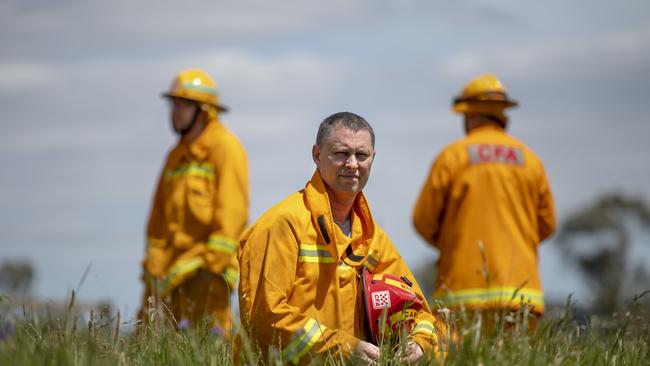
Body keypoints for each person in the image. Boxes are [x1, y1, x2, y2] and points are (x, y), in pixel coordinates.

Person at [237, 112, 447, 365]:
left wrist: (417, 343)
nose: (352, 164)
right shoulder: (282, 225)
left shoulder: (371, 238)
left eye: (361, 155)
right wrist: (342, 348)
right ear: (316, 155)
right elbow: (264, 317)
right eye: (341, 153)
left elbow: (417, 311)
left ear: (373, 158)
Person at [412, 74, 556, 330]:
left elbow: (423, 221)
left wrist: (452, 243)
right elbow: (547, 225)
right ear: (504, 116)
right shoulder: (531, 161)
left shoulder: (452, 157)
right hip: (522, 297)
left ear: (467, 116)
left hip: (461, 296)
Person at [138, 68, 249, 336]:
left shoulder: (225, 148)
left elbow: (232, 214)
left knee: (208, 347)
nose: (175, 111)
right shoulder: (175, 156)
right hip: (167, 275)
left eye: (183, 105)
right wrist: (153, 260)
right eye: (173, 104)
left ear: (204, 111)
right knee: (148, 344)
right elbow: (158, 217)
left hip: (206, 274)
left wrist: (212, 265)